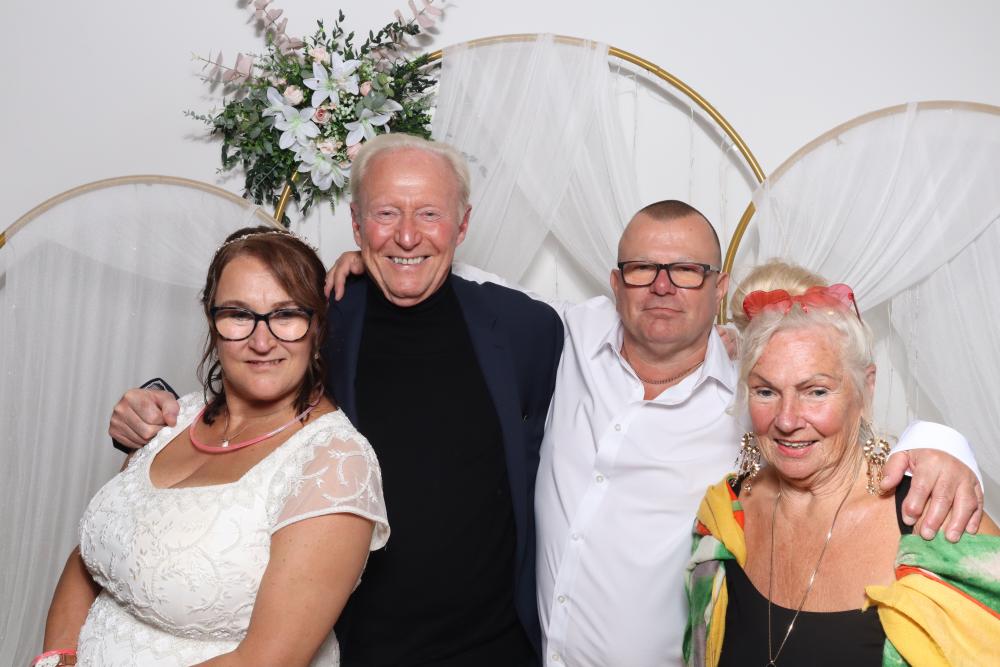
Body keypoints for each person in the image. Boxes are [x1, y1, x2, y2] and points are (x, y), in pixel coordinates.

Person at [327, 200, 985, 666]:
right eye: (643, 268)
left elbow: (833, 410)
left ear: (718, 287)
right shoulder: (562, 338)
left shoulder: (751, 393)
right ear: (617, 283)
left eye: (687, 270)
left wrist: (943, 444)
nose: (663, 286)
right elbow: (454, 278)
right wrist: (382, 256)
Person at [108, 134, 565, 665]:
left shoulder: (528, 328)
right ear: (356, 224)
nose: (407, 235)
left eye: (430, 214)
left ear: (462, 226)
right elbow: (240, 397)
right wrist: (151, 410)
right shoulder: (319, 319)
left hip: (494, 651)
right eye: (386, 213)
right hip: (352, 648)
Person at [39, 227, 389, 667]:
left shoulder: (335, 464)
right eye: (239, 314)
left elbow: (265, 661)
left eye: (286, 315)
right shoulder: (171, 419)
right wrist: (58, 657)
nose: (262, 341)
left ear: (316, 327)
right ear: (212, 322)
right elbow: (91, 556)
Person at [685, 261, 999, 667]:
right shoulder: (724, 517)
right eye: (766, 391)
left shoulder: (935, 520)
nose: (786, 419)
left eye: (816, 391)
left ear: (866, 387)